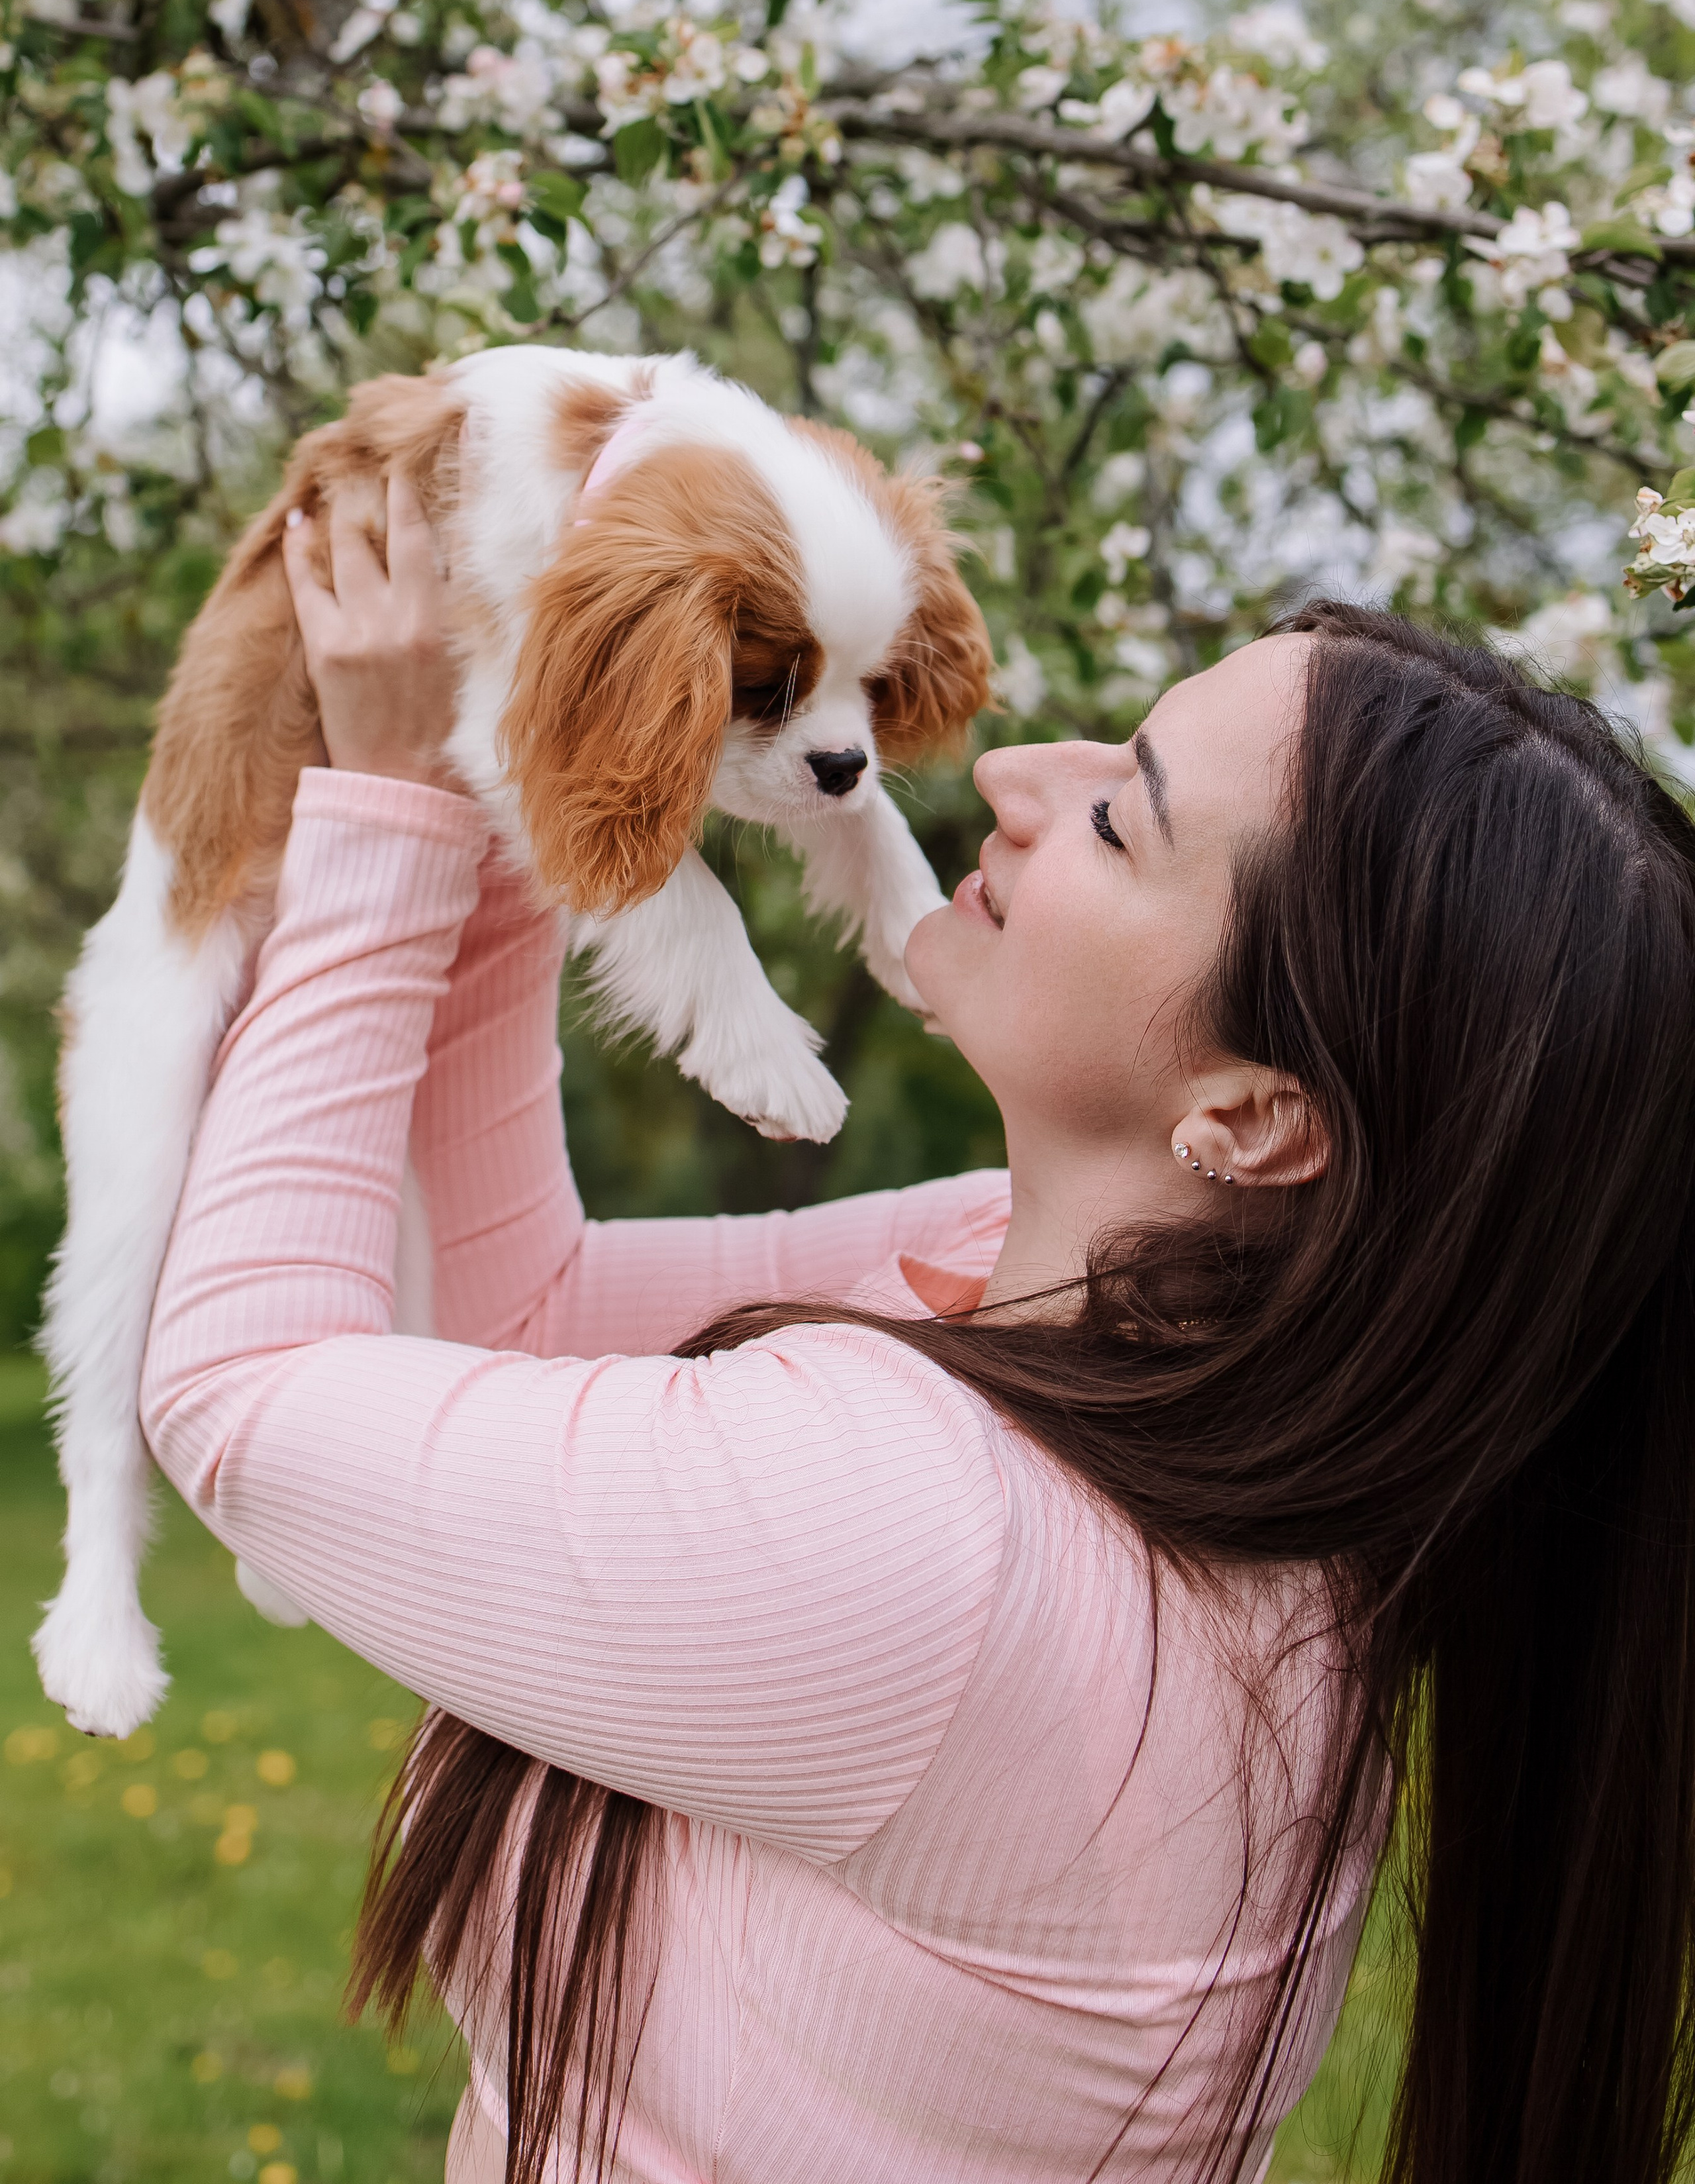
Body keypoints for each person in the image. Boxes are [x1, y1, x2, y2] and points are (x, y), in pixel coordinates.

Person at [138, 464, 1695, 2184]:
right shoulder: (1085, 1319)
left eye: (1128, 818)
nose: (1023, 775)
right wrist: (522, 774)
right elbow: (546, 1319)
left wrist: (383, 814)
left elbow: (238, 1391)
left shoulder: (933, 1539)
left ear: (1256, 1117)